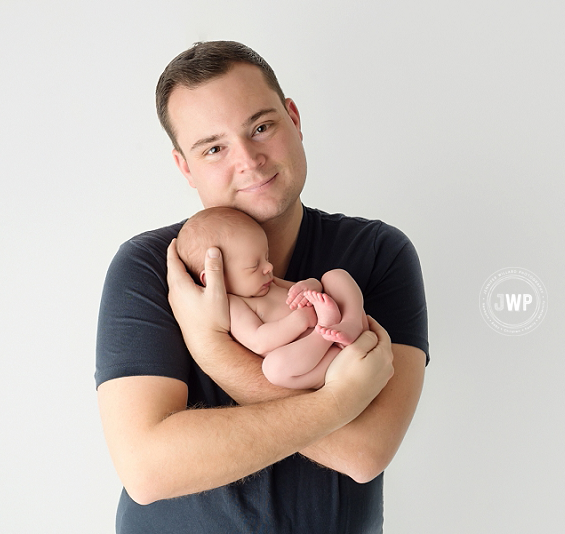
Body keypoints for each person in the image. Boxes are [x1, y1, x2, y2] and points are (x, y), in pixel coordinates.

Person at [96, 41, 429, 533]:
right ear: (185, 167)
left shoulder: (378, 252)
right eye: (214, 148)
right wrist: (338, 404)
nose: (249, 160)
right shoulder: (153, 267)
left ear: (293, 119)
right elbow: (147, 469)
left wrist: (213, 349)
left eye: (261, 127)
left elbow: (364, 451)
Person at [176, 206, 369, 389]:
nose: (268, 267)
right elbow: (259, 341)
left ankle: (351, 323)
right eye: (254, 265)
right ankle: (327, 335)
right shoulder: (233, 305)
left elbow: (300, 289)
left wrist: (310, 285)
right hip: (316, 357)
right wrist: (299, 320)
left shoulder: (266, 280)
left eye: (266, 257)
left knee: (335, 276)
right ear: (214, 277)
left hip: (343, 331)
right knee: (274, 369)